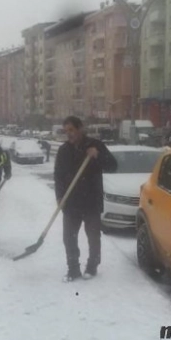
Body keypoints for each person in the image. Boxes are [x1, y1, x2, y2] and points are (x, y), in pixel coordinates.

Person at [54, 116, 117, 281]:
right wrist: (59, 197)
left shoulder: (95, 145)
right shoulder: (63, 150)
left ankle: (92, 266)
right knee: (69, 238)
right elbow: (58, 176)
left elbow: (113, 166)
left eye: (71, 130)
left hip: (91, 202)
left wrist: (98, 155)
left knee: (93, 237)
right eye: (66, 131)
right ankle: (73, 269)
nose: (69, 134)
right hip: (71, 202)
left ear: (80, 128)